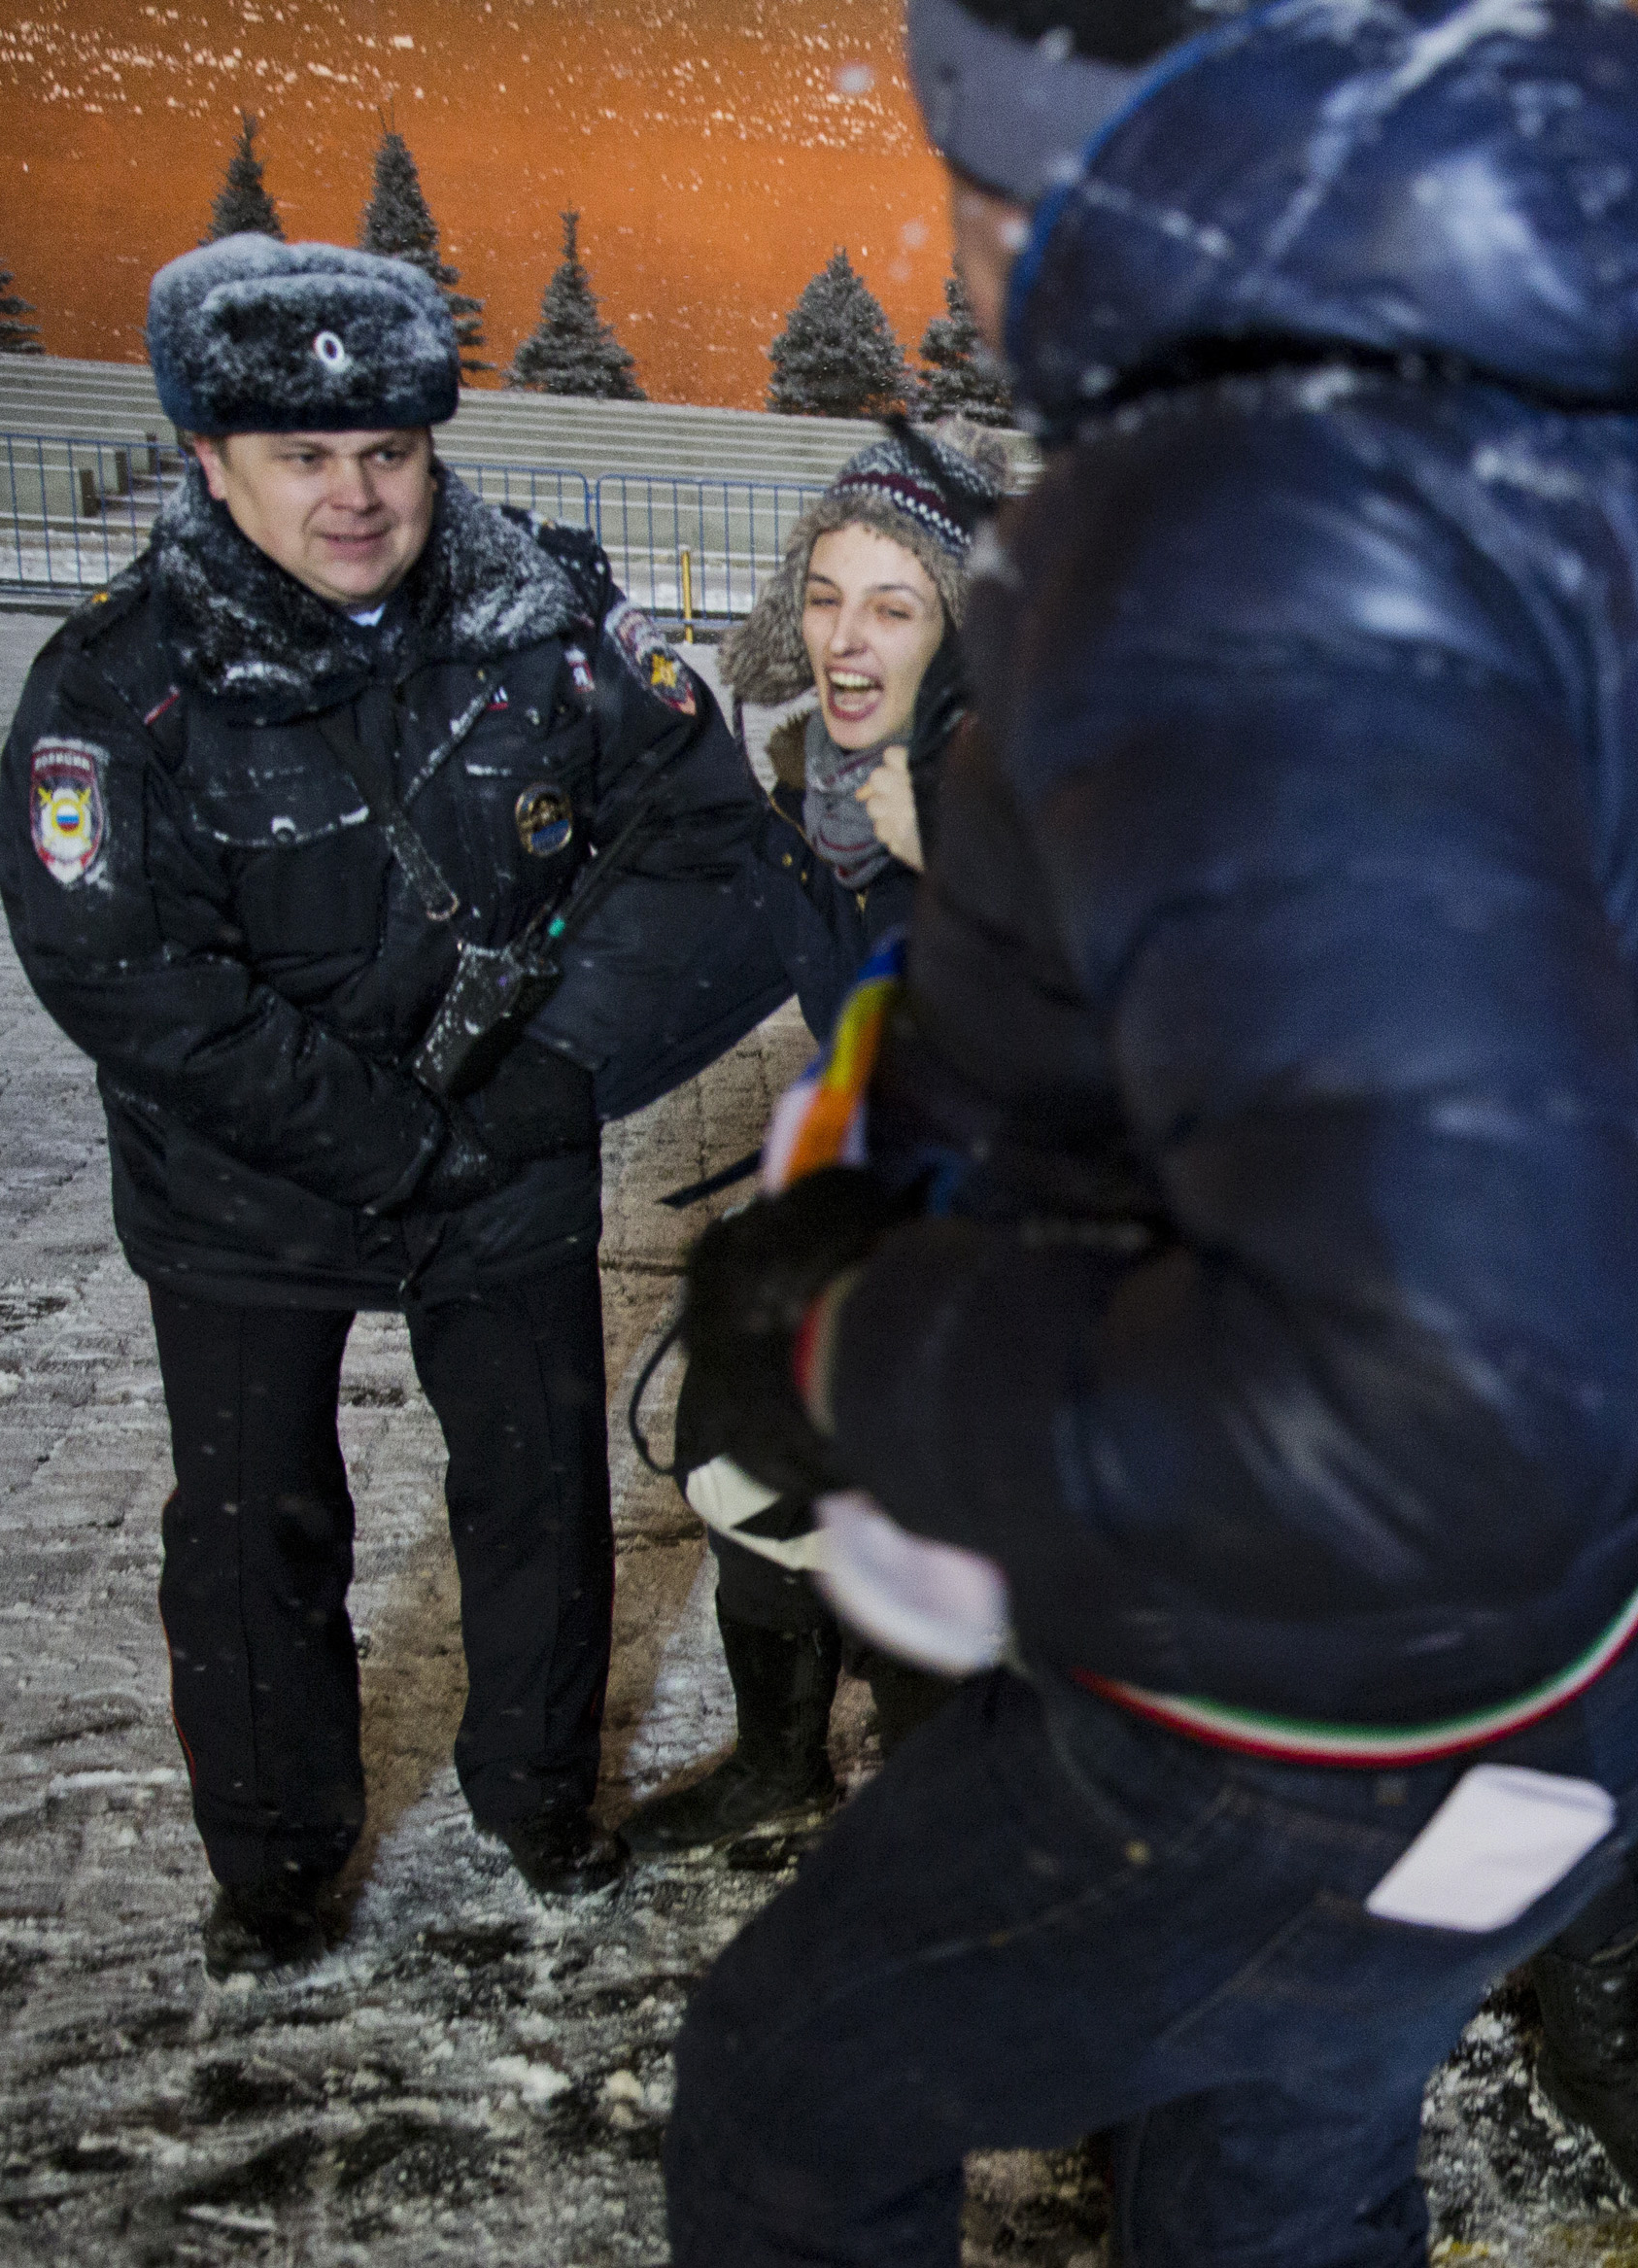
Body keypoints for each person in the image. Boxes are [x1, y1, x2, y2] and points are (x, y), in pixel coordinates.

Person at [653, 0, 1638, 2256]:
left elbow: (1411, 1405)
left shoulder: (1235, 571)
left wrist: (839, 1353)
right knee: (1272, 2141)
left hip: (1310, 1700)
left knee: (797, 2090)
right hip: (1591, 1624)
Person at [0, 239, 776, 1975]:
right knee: (254, 1524)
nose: (355, 497)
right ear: (206, 456)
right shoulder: (115, 686)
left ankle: (540, 1798)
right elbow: (127, 973)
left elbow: (707, 835)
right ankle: (278, 1867)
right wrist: (388, 1134)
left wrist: (557, 1070)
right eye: (301, 454)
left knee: (539, 1495)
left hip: (505, 1145)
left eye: (390, 450)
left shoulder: (550, 621)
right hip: (248, 1184)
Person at [621, 423, 1011, 1858]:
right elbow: (697, 985)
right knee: (738, 1442)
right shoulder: (813, 791)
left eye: (893, 605)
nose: (845, 638)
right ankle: (780, 1757)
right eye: (826, 596)